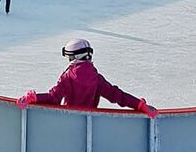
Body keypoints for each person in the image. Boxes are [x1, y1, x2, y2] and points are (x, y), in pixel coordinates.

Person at [16, 39, 158, 117]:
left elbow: (54, 98)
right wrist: (140, 105)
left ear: (74, 57)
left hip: (68, 120)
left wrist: (33, 98)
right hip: (89, 122)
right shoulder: (96, 78)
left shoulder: (67, 77)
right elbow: (117, 95)